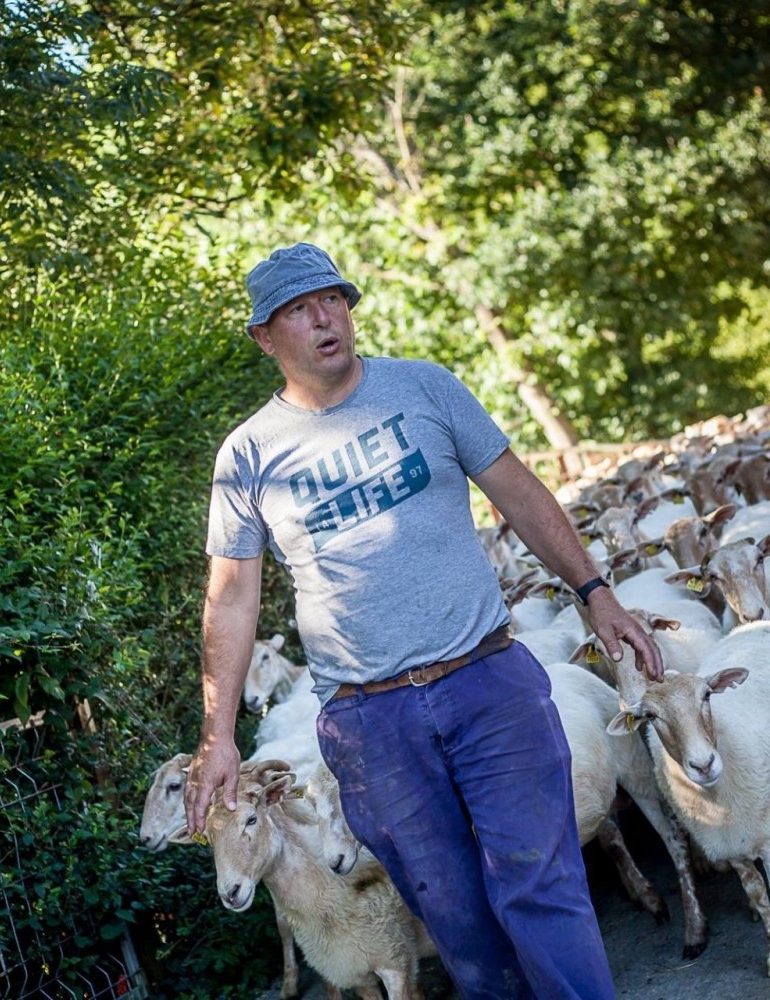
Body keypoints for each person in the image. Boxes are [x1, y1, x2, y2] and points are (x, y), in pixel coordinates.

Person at [184, 242, 665, 1000]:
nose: (326, 317)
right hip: (372, 724)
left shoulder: (426, 389)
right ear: (264, 337)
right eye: (302, 309)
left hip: (487, 681)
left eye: (335, 299)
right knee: (454, 918)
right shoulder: (247, 457)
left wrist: (596, 591)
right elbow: (232, 599)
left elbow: (521, 493)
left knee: (537, 886)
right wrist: (217, 736)